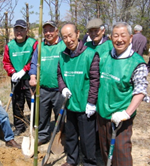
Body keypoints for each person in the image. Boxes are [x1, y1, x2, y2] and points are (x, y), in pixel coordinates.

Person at [97, 22, 148, 166]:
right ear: (111, 38)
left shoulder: (136, 62)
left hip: (121, 118)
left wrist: (126, 113)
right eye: (115, 36)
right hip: (102, 114)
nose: (119, 39)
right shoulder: (105, 57)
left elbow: (140, 91)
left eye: (123, 35)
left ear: (131, 37)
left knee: (121, 153)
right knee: (105, 151)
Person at [58, 22, 99, 166]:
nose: (68, 40)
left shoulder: (90, 54)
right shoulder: (62, 56)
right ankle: (71, 161)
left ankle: (89, 163)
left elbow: (95, 80)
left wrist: (91, 102)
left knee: (87, 140)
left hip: (84, 105)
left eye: (70, 35)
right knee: (71, 135)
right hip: (70, 104)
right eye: (64, 37)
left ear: (77, 34)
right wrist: (63, 88)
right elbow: (60, 75)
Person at [29, 20, 66, 145]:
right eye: (45, 31)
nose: (48, 33)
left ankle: (61, 135)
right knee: (42, 114)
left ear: (57, 31)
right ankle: (43, 135)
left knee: (60, 115)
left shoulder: (63, 45)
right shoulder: (40, 47)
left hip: (59, 89)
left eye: (51, 30)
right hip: (43, 88)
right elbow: (34, 63)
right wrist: (33, 77)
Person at [3, 19, 38, 136]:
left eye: (21, 29)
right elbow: (6, 62)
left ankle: (35, 125)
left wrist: (25, 70)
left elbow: (35, 58)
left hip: (30, 78)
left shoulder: (33, 43)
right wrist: (12, 72)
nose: (19, 32)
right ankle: (19, 126)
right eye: (17, 29)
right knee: (17, 103)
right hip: (16, 79)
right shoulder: (10, 46)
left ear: (26, 30)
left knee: (33, 102)